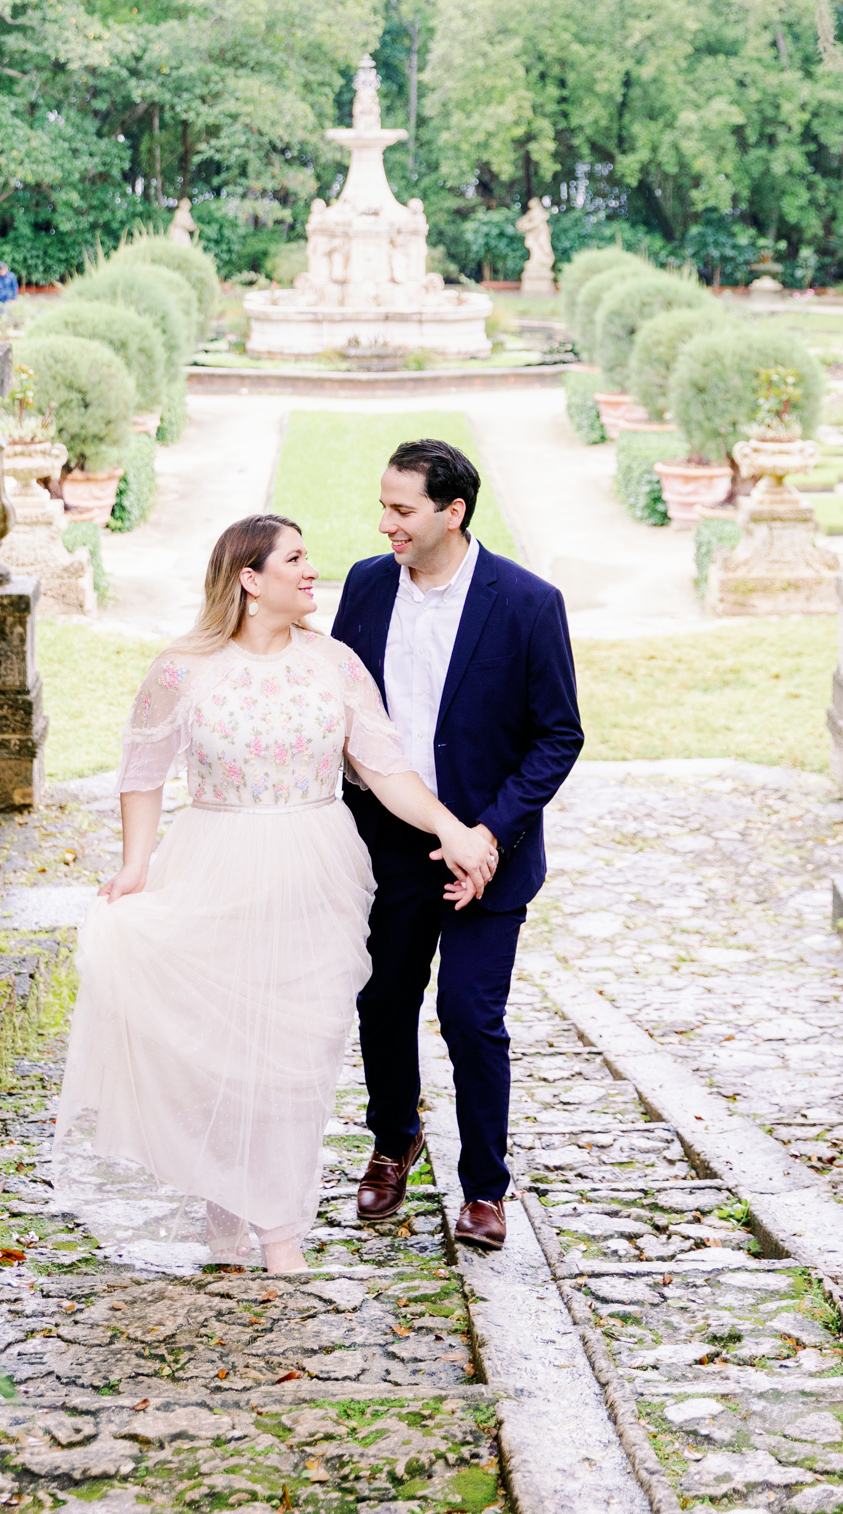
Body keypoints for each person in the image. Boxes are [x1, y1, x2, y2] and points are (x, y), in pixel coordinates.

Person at [54, 513, 499, 1275]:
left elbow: (386, 770)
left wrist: (452, 830)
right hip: (215, 862)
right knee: (224, 1052)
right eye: (295, 559)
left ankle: (280, 1230)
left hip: (317, 870)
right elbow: (142, 772)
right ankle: (228, 1218)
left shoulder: (336, 665)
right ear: (249, 580)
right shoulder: (181, 669)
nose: (311, 570)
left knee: (297, 1052)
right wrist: (133, 868)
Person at [331, 438, 583, 1251]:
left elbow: (558, 735)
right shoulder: (367, 586)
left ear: (453, 511)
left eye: (401, 510)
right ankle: (391, 1140)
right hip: (386, 842)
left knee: (471, 1017)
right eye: (384, 506)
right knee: (383, 1002)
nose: (385, 525)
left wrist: (488, 835)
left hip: (489, 853)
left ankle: (484, 1188)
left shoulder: (527, 602)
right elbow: (340, 708)